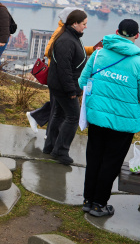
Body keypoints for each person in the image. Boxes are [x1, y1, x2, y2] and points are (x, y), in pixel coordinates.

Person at [79, 19, 140, 217]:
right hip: (123, 122)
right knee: (111, 162)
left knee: (94, 158)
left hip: (97, 117)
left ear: (116, 32)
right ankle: (99, 204)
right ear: (137, 36)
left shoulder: (98, 54)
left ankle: (88, 200)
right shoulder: (139, 63)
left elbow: (82, 82)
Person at [26, 7, 96, 133]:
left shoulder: (69, 32)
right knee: (59, 108)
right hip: (59, 75)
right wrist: (60, 60)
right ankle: (44, 127)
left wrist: (92, 49)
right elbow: (49, 51)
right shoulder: (62, 32)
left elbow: (75, 50)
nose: (85, 26)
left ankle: (39, 121)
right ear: (73, 21)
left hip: (60, 76)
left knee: (58, 107)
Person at [42, 9, 88, 165]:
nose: (85, 27)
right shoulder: (67, 40)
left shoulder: (71, 37)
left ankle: (50, 147)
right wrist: (71, 91)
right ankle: (61, 151)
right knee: (73, 117)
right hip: (64, 87)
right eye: (84, 24)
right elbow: (64, 68)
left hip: (61, 85)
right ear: (75, 24)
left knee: (59, 115)